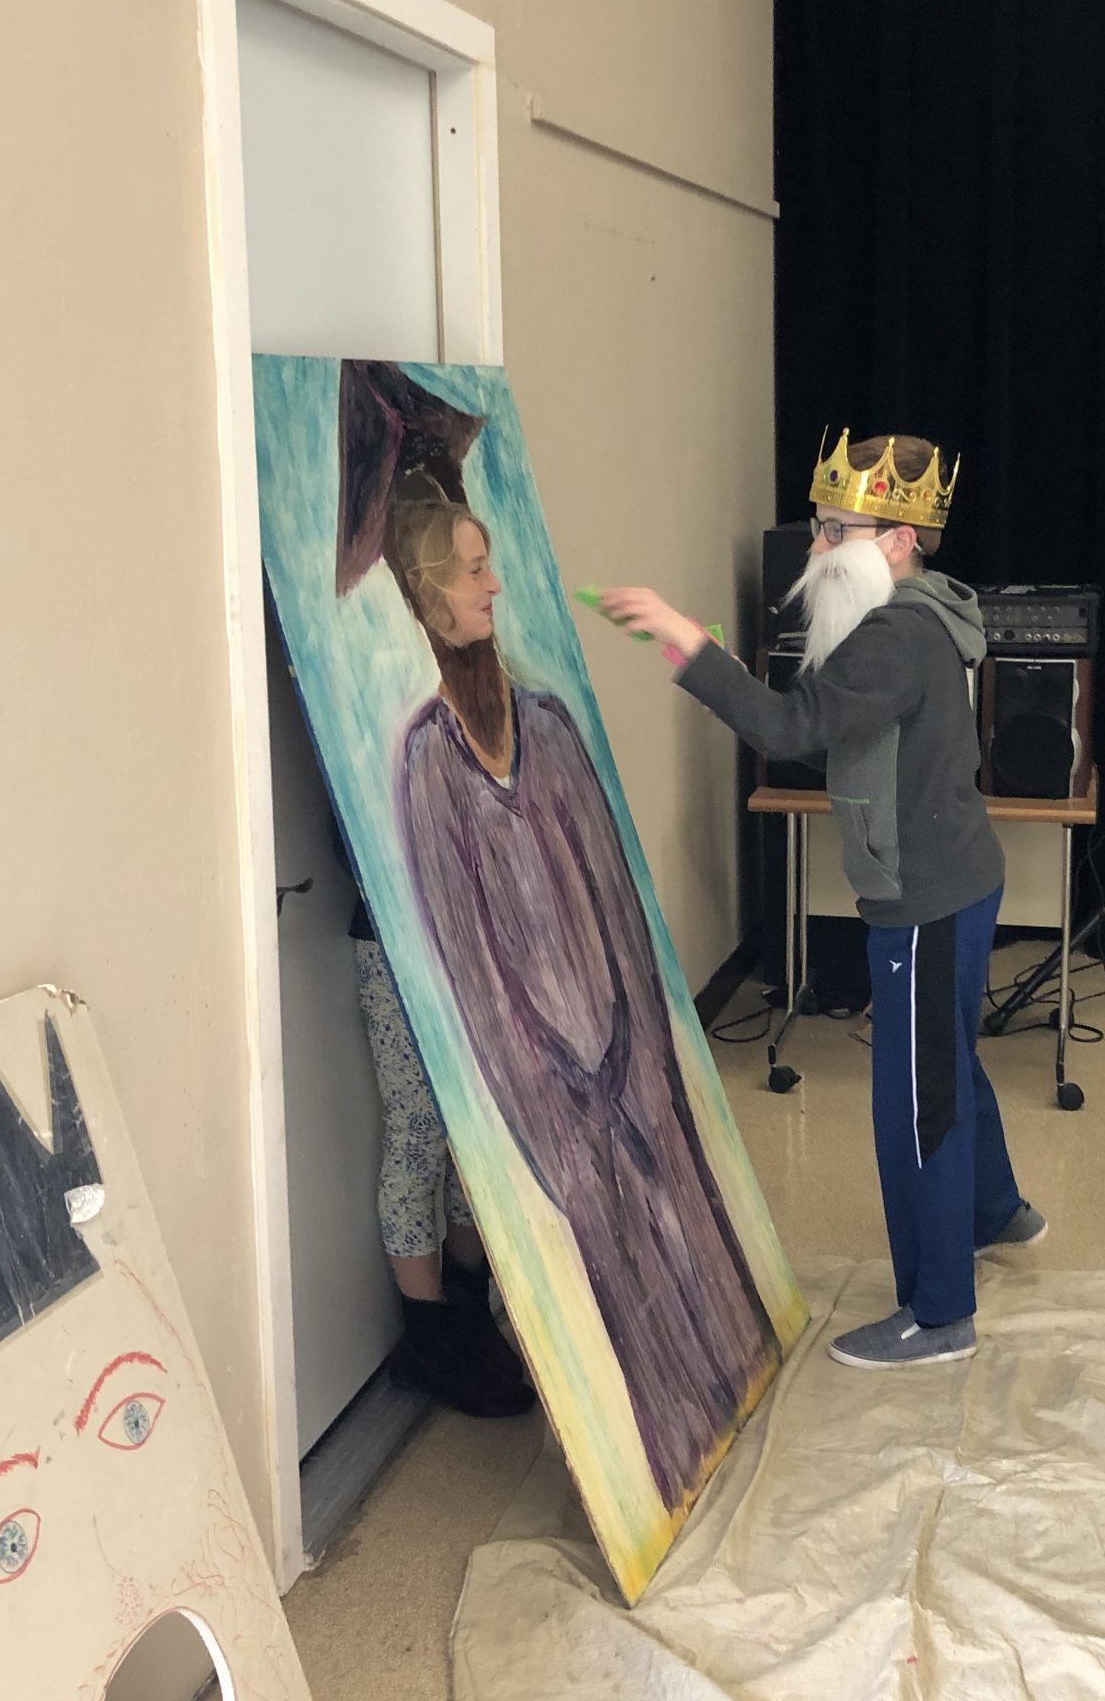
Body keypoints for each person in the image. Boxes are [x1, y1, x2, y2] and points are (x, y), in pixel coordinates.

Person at [333, 359, 780, 1506]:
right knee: (424, 1139)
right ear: (426, 594)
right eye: (472, 570)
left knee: (649, 1216)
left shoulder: (545, 728)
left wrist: (628, 1064)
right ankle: (434, 1333)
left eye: (490, 563)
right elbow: (477, 976)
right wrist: (559, 1094)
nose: (495, 585)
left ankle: (487, 1302)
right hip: (457, 1011)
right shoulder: (425, 766)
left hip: (614, 1060)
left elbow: (614, 916)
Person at [599, 431, 1047, 1371]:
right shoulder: (927, 610)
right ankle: (997, 1209)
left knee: (916, 1104)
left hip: (926, 899)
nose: (815, 547)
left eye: (835, 530)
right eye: (819, 526)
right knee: (944, 1061)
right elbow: (830, 718)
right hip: (961, 879)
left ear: (897, 541)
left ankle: (941, 1314)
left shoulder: (895, 635)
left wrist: (685, 643)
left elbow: (791, 728)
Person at [330, 813, 535, 1418]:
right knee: (419, 1135)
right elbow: (354, 837)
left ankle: (467, 1307)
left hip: (485, 938)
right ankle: (432, 1341)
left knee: (477, 1134)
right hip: (401, 941)